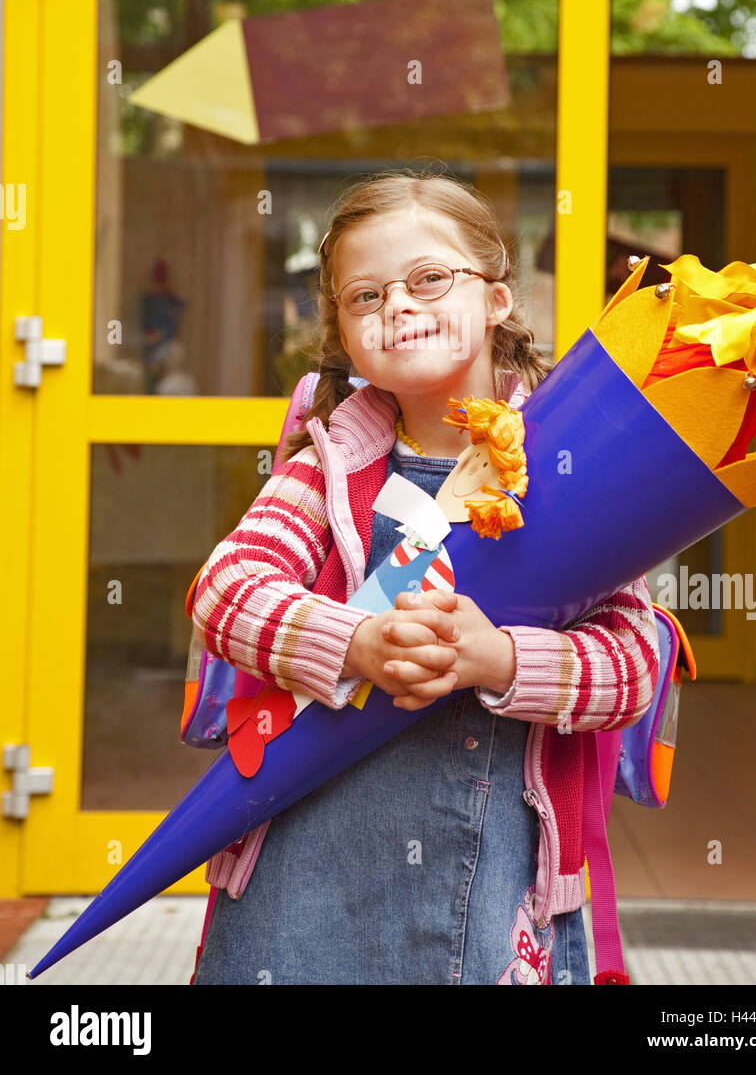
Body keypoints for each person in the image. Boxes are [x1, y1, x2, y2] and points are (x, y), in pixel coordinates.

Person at [190, 168, 659, 986]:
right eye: (365, 296)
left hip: (493, 886)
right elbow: (223, 594)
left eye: (430, 279)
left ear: (496, 300)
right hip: (300, 878)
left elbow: (634, 666)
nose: (397, 306)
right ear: (341, 330)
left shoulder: (561, 470)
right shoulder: (327, 468)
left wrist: (502, 661)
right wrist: (358, 640)